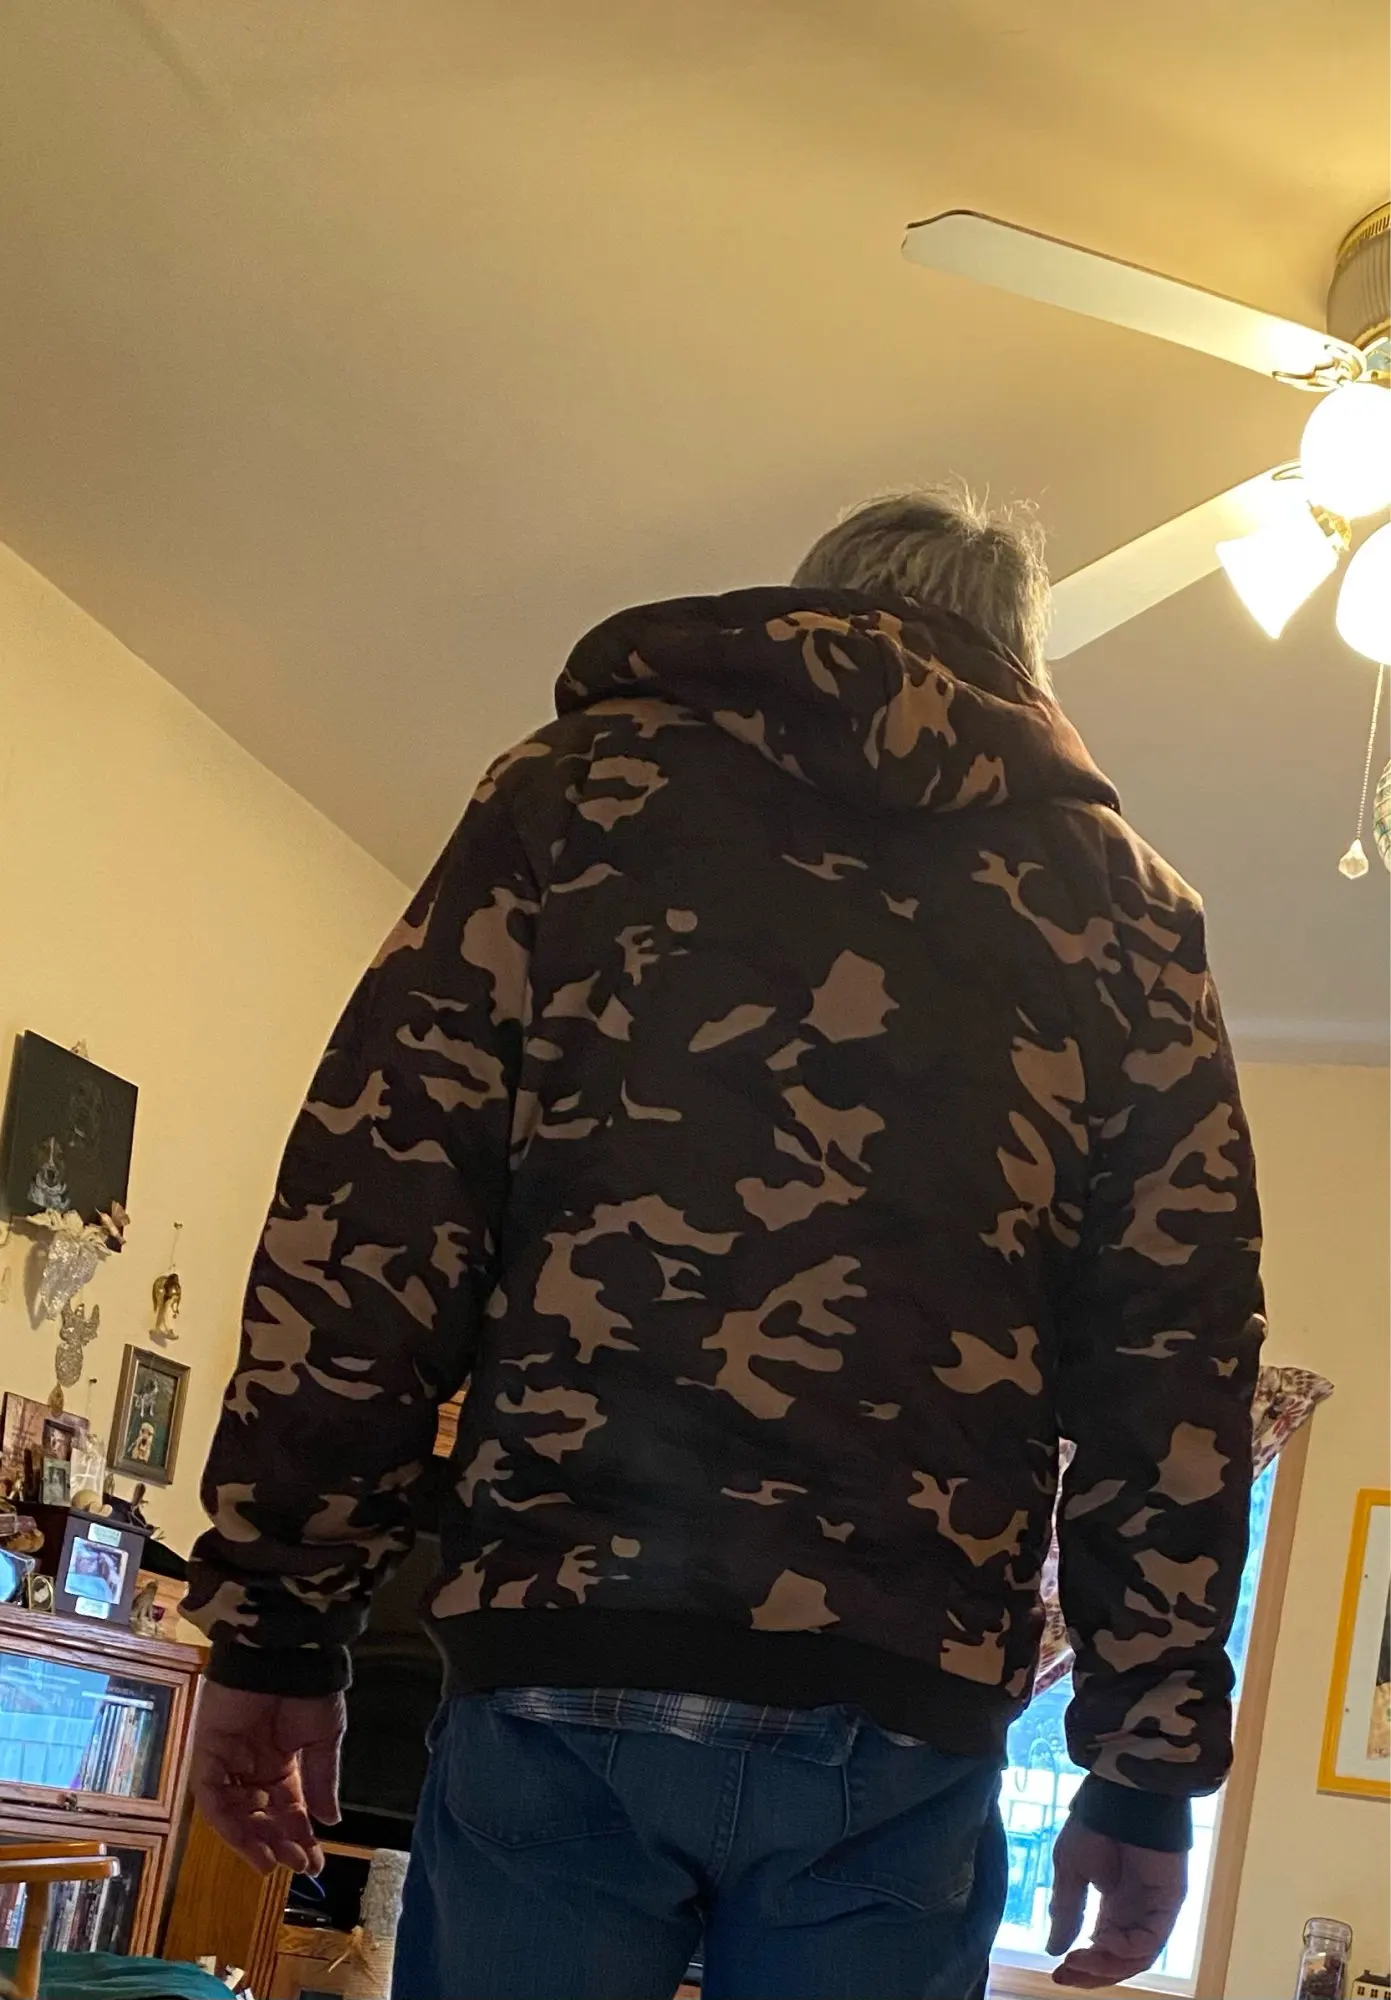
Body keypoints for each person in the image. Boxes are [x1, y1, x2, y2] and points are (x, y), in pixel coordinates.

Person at [185, 487, 1264, 2000]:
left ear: (806, 606)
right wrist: (1144, 1770)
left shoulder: (573, 797)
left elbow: (375, 1210)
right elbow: (1177, 1355)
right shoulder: (1126, 914)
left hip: (564, 1643)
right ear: (1022, 662)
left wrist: (282, 1627)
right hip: (899, 1705)